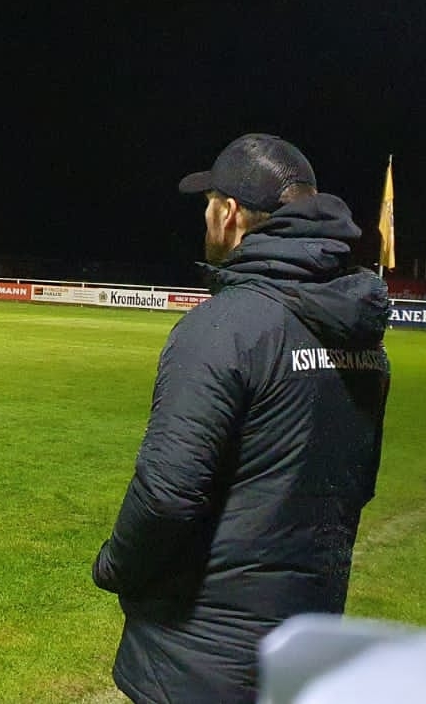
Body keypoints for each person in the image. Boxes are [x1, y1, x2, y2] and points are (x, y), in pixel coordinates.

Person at [91, 133, 391, 703]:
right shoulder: (362, 337)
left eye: (209, 205)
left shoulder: (223, 327)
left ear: (228, 214)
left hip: (198, 660)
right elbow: (358, 484)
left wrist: (114, 566)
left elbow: (167, 496)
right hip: (303, 650)